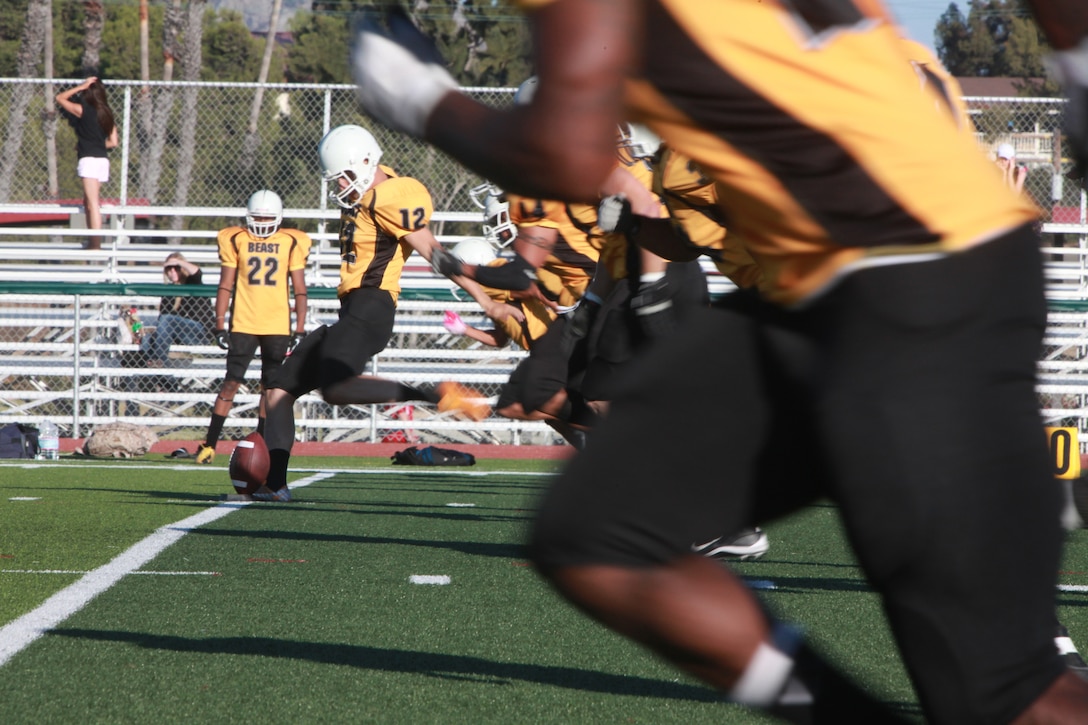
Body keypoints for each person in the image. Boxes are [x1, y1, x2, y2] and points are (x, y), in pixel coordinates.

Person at [351, 2, 1088, 723]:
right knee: (599, 525)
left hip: (894, 275)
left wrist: (423, 100)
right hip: (879, 276)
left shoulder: (666, 154)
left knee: (1000, 692)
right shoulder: (684, 161)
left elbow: (564, 151)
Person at [250, 124, 498, 502]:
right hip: (351, 310)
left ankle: (432, 393)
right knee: (278, 391)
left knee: (334, 390)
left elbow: (435, 253)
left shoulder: (391, 196)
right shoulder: (367, 196)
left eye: (344, 177)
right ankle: (276, 486)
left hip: (373, 305)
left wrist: (485, 299)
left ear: (365, 161)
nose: (339, 187)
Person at [193, 190, 311, 465]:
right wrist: (219, 323)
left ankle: (261, 444)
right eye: (257, 216)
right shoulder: (237, 239)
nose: (261, 221)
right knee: (231, 382)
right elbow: (226, 283)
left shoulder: (291, 241)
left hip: (278, 324)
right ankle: (210, 444)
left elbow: (299, 289)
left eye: (267, 217)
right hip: (244, 322)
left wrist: (300, 327)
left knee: (269, 389)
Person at [54, 77, 119, 251]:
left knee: (92, 203)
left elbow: (60, 98)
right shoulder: (107, 113)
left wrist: (80, 86)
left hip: (89, 160)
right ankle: (93, 239)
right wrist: (96, 143)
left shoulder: (84, 110)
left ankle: (96, 244)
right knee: (88, 202)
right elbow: (113, 142)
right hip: (102, 160)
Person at [141, 252, 215, 367]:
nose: (172, 271)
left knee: (168, 319)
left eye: (176, 268)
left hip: (200, 333)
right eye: (169, 269)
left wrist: (179, 262)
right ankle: (158, 376)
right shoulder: (168, 291)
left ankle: (160, 363)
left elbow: (197, 272)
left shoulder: (192, 282)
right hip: (179, 335)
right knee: (147, 339)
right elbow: (163, 321)